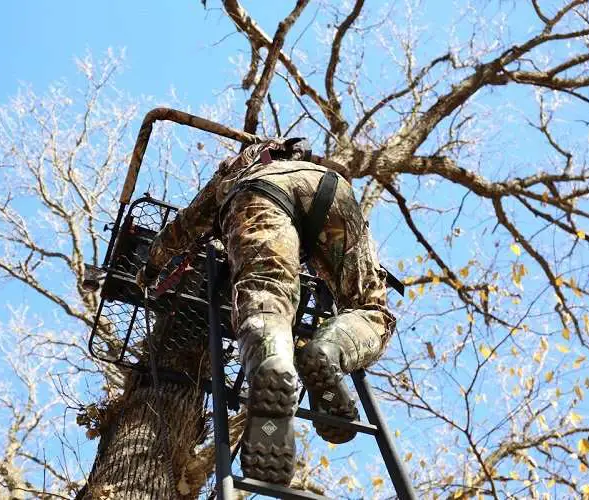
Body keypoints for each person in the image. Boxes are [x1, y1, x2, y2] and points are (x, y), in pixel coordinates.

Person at [136, 139, 395, 485]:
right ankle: (329, 351)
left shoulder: (236, 169)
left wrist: (150, 268)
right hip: (332, 191)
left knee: (267, 288)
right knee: (369, 307)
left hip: (261, 193)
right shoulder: (307, 160)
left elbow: (183, 227)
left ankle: (272, 361)